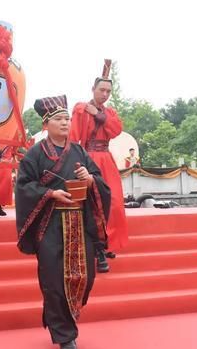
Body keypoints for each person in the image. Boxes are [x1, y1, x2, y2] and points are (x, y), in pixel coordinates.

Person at [15, 95, 110, 349]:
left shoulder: (79, 151)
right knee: (54, 282)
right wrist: (50, 193)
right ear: (46, 125)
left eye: (67, 118)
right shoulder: (35, 154)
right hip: (50, 222)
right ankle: (65, 335)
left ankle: (59, 317)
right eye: (59, 119)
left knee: (85, 277)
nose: (65, 123)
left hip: (79, 221)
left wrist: (89, 178)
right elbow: (23, 187)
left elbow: (100, 182)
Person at [69, 59, 128, 272]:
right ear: (92, 89)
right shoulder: (80, 109)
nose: (105, 94)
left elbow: (116, 130)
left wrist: (99, 114)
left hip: (106, 158)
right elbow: (74, 137)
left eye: (108, 91)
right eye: (102, 89)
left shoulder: (109, 113)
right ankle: (96, 248)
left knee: (114, 203)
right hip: (88, 158)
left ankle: (108, 242)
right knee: (93, 204)